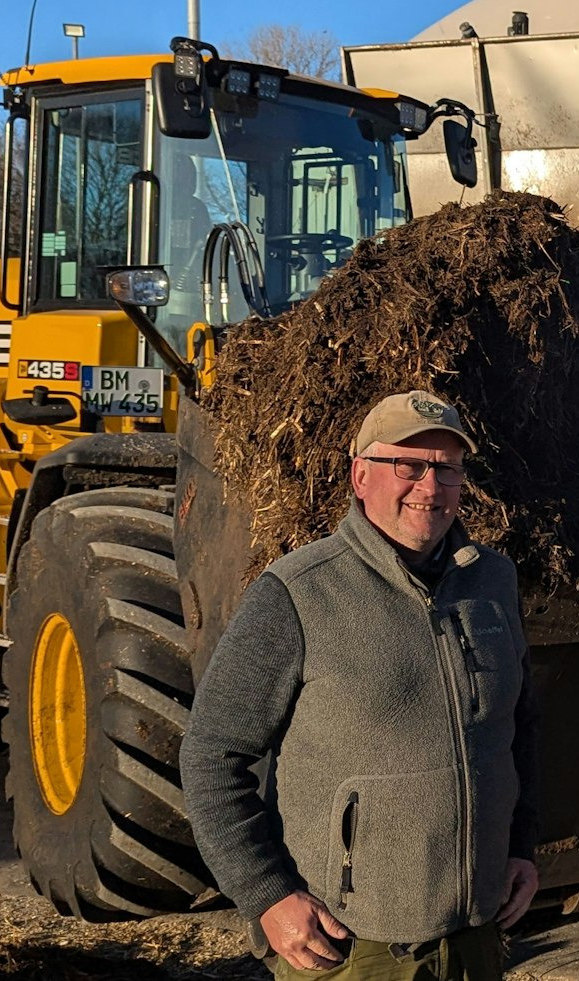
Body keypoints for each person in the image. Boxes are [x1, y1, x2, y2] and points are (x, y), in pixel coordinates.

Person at [182, 390, 540, 980]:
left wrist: (522, 843)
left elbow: (518, 725)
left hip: (476, 935)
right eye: (409, 465)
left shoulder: (492, 582)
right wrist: (266, 894)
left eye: (447, 468)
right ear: (361, 475)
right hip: (349, 946)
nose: (430, 486)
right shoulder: (299, 592)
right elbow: (211, 755)